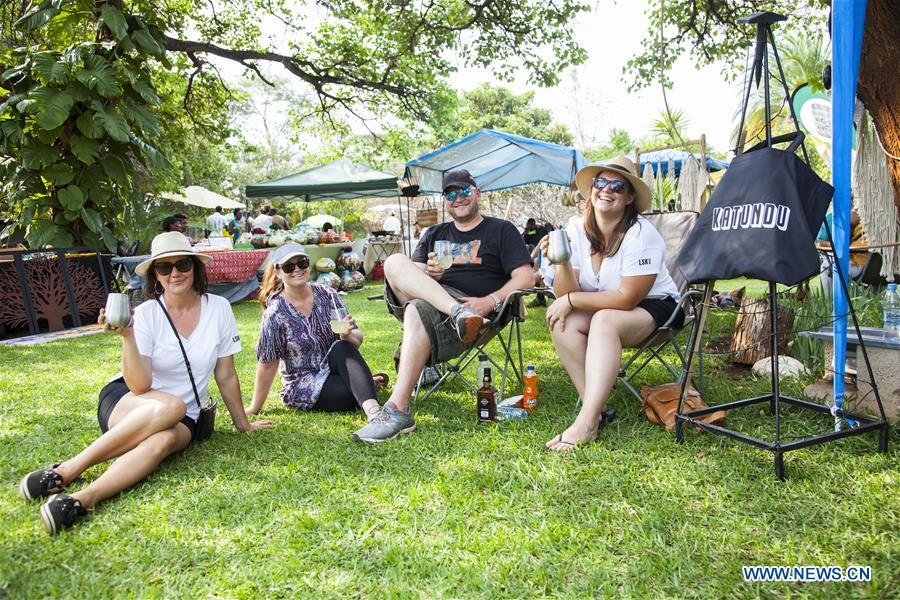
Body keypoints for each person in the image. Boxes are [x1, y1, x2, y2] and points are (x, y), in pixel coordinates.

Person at [18, 232, 272, 533]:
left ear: (195, 267)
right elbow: (139, 386)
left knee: (165, 439)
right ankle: (67, 469)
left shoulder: (218, 308)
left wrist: (243, 424)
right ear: (156, 275)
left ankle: (80, 500)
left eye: (182, 265)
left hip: (185, 417)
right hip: (129, 402)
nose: (175, 273)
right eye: (164, 268)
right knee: (171, 406)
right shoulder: (147, 314)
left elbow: (226, 374)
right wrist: (128, 337)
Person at [352, 169, 533, 443]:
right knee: (393, 263)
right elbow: (407, 279)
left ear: (477, 194)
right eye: (450, 194)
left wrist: (489, 301)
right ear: (444, 200)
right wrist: (430, 277)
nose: (457, 198)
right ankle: (457, 312)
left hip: (479, 315)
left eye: (464, 191)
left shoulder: (501, 230)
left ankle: (398, 409)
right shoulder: (434, 233)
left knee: (416, 310)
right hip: (446, 306)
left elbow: (526, 278)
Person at [541, 156, 681, 452]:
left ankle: (587, 422)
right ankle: (598, 409)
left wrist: (571, 299)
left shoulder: (641, 234)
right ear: (591, 190)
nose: (607, 190)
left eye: (617, 186)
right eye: (600, 183)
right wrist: (562, 261)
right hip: (603, 307)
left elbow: (627, 297)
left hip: (656, 306)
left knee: (604, 319)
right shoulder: (576, 230)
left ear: (630, 197)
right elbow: (565, 291)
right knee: (562, 320)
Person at [248, 244, 385, 422]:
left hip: (334, 365)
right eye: (289, 266)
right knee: (348, 395)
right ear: (277, 272)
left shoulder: (328, 295)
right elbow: (267, 364)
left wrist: (347, 335)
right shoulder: (275, 314)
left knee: (342, 346)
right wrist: (254, 407)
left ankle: (375, 414)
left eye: (302, 263)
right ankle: (365, 383)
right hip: (303, 382)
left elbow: (357, 339)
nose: (297, 269)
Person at [816, 207, 869, 293]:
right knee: (831, 264)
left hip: (858, 264)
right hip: (865, 264)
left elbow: (859, 248)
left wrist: (849, 256)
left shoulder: (863, 229)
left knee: (825, 267)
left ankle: (829, 302)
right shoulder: (877, 225)